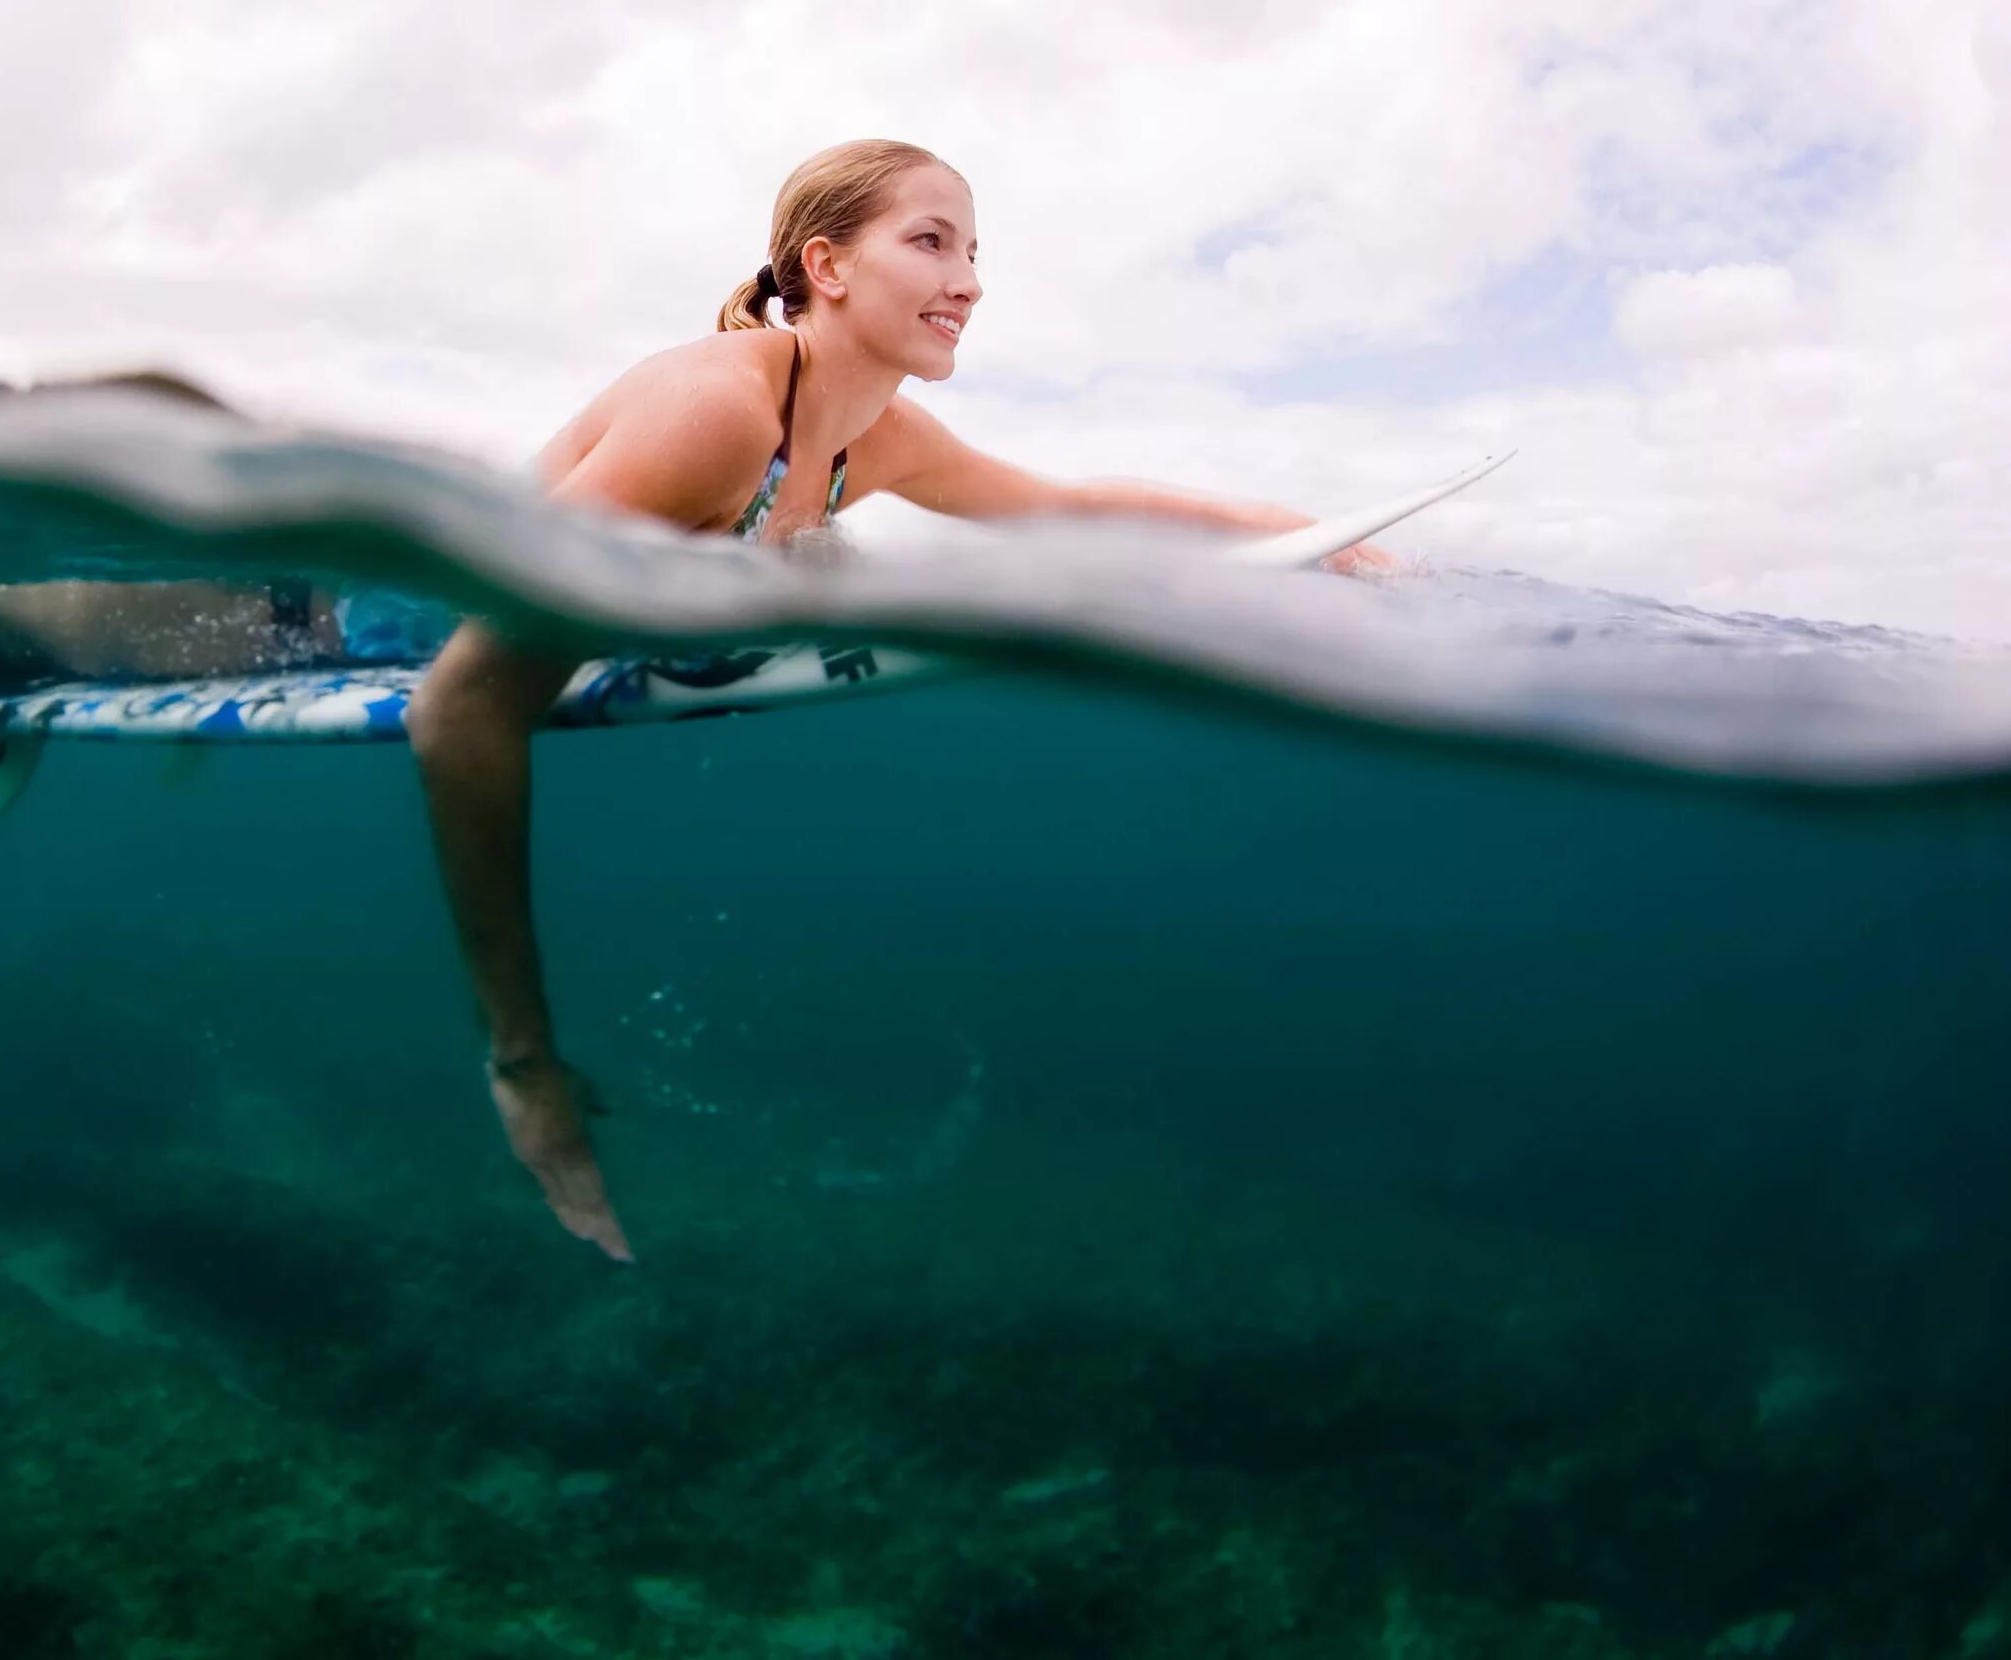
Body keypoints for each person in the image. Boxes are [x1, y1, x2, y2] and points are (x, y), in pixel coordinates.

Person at [402, 138, 1391, 1262]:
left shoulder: (876, 437)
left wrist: (1292, 532)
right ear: (825, 265)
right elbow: (459, 703)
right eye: (931, 241)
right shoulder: (713, 412)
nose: (968, 279)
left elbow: (1064, 504)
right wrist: (524, 1060)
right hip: (378, 624)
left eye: (973, 251)